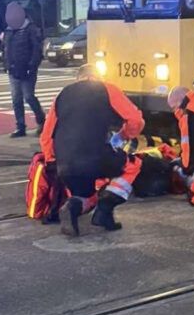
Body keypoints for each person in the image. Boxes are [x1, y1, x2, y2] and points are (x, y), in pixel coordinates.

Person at [41, 64, 145, 236]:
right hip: (95, 156)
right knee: (133, 165)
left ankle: (72, 207)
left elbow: (46, 135)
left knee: (87, 196)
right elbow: (135, 119)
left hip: (65, 164)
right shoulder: (106, 89)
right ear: (96, 76)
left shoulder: (62, 95)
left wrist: (52, 161)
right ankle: (105, 209)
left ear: (78, 78)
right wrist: (123, 136)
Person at [3, 2, 45, 138]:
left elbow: (36, 49)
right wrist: (7, 65)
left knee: (28, 96)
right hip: (13, 69)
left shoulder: (30, 29)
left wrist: (32, 66)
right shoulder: (9, 30)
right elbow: (7, 49)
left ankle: (41, 120)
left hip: (27, 69)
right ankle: (20, 126)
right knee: (16, 99)